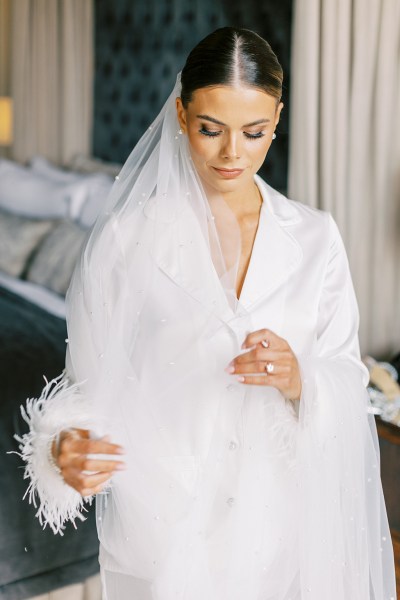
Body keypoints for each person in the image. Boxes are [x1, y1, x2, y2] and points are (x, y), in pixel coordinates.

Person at [16, 27, 396, 600]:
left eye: (255, 132)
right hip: (164, 538)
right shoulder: (126, 240)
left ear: (277, 118)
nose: (231, 154)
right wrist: (61, 449)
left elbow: (345, 374)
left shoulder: (316, 239)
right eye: (211, 129)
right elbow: (84, 394)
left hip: (281, 533)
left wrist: (300, 378)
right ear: (180, 114)